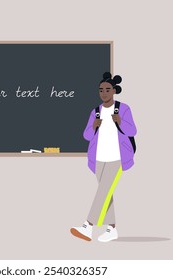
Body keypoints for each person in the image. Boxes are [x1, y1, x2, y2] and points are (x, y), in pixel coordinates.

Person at [70, 72, 137, 242]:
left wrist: (120, 121)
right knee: (106, 193)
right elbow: (86, 136)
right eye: (101, 90)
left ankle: (87, 226)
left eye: (107, 89)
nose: (104, 93)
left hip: (117, 157)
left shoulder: (123, 109)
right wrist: (93, 126)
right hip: (98, 157)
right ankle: (111, 229)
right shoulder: (95, 112)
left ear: (114, 90)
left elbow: (133, 131)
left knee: (103, 192)